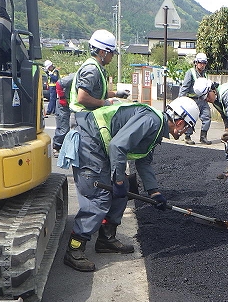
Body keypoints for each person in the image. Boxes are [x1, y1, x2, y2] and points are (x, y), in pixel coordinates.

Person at [63, 96, 200, 272]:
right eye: (187, 127)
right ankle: (74, 248)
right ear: (180, 122)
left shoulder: (156, 128)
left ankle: (106, 239)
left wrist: (154, 192)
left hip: (100, 147)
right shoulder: (151, 121)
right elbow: (117, 146)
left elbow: (144, 161)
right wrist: (118, 179)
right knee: (99, 198)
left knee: (124, 189)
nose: (185, 132)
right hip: (89, 142)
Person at [69, 29, 130, 120]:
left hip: (86, 116)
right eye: (111, 53)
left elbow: (97, 94)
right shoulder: (92, 69)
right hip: (82, 118)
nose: (112, 57)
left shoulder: (96, 67)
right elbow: (82, 98)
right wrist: (103, 103)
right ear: (102, 52)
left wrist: (116, 93)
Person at [179, 52, 212, 145]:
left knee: (207, 117)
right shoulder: (190, 73)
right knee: (190, 118)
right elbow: (185, 87)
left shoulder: (205, 74)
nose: (202, 65)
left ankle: (203, 137)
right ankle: (187, 136)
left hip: (202, 99)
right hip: (192, 100)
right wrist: (180, 100)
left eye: (204, 63)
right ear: (196, 62)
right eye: (200, 62)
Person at [53, 72, 75, 157]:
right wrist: (62, 98)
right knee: (63, 127)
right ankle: (57, 146)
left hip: (72, 104)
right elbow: (58, 84)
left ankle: (67, 147)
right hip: (63, 104)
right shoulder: (74, 77)